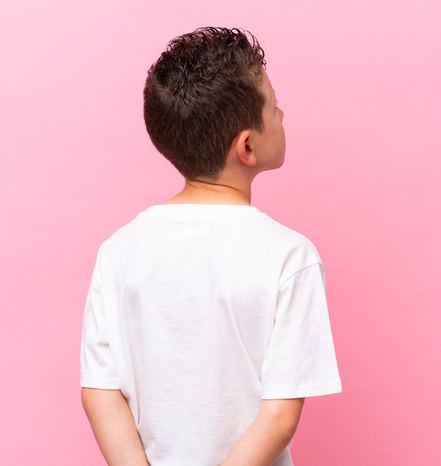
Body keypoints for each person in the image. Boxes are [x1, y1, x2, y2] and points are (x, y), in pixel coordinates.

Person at [80, 27, 342, 466]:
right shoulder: (290, 257)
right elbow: (278, 417)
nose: (282, 112)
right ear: (247, 146)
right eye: (272, 106)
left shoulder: (118, 251)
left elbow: (100, 393)